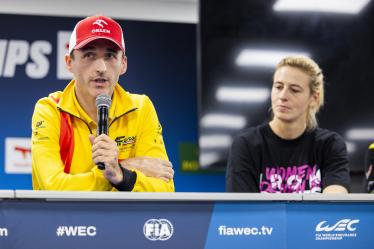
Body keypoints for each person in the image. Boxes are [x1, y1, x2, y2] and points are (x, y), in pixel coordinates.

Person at [31, 15, 174, 191]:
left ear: (123, 64)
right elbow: (52, 187)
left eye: (110, 56)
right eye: (89, 55)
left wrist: (121, 175)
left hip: (124, 219)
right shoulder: (50, 110)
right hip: (65, 218)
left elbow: (164, 188)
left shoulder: (141, 107)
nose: (101, 67)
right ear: (69, 62)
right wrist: (121, 170)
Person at [226, 55, 350, 193]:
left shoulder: (330, 145)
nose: (283, 96)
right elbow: (243, 210)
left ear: (313, 98)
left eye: (294, 90)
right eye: (278, 87)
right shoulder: (246, 144)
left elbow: (335, 204)